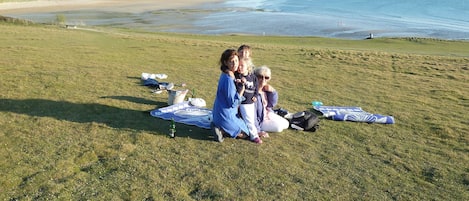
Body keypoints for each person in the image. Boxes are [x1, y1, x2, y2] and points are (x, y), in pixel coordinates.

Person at [211, 49, 250, 143]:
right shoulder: (229, 78)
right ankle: (222, 130)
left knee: (244, 126)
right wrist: (241, 91)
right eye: (231, 62)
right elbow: (232, 103)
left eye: (236, 61)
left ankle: (220, 127)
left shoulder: (226, 74)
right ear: (225, 63)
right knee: (246, 134)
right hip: (225, 114)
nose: (235, 64)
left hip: (218, 111)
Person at [254, 65, 289, 134]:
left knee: (286, 124)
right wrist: (258, 130)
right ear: (255, 77)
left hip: (268, 113)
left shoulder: (265, 89)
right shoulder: (253, 91)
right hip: (259, 119)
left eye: (266, 77)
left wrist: (273, 92)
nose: (263, 80)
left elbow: (272, 104)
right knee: (279, 128)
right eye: (260, 77)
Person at [235, 57, 262, 144]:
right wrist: (239, 82)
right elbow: (236, 86)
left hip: (250, 103)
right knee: (245, 119)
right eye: (239, 66)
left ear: (248, 67)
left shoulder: (253, 77)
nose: (239, 68)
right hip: (241, 103)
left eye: (242, 66)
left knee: (250, 119)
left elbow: (256, 88)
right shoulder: (238, 76)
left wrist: (255, 95)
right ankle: (252, 135)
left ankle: (251, 134)